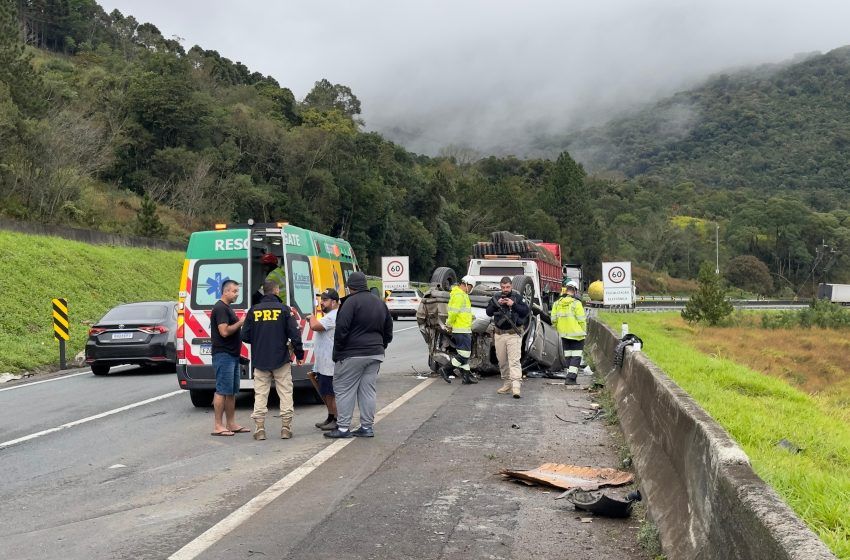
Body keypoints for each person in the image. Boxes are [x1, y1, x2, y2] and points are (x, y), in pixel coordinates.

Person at [324, 271, 394, 439]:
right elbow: (388, 330)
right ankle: (366, 427)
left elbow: (341, 330)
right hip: (375, 353)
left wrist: (338, 352)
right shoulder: (379, 303)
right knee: (367, 390)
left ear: (350, 287)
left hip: (351, 354)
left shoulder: (350, 303)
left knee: (343, 390)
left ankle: (342, 428)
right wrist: (381, 345)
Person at [241, 280, 305, 440]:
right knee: (285, 392)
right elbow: (295, 335)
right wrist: (299, 355)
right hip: (281, 358)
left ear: (264, 292)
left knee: (260, 394)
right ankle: (285, 428)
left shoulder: (253, 310)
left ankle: (260, 429)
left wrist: (258, 342)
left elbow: (244, 336)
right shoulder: (284, 310)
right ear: (276, 291)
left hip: (260, 359)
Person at [210, 279, 248, 436]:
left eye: (237, 291)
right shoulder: (220, 308)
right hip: (223, 354)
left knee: (231, 391)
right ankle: (218, 426)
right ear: (225, 291)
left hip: (232, 355)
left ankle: (231, 423)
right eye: (234, 291)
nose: (236, 294)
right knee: (221, 391)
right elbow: (224, 332)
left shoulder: (227, 308)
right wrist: (240, 323)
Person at [485, 276, 530, 399]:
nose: (505, 289)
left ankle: (516, 386)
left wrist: (513, 304)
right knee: (502, 361)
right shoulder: (496, 297)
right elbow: (488, 312)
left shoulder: (517, 297)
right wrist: (496, 305)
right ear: (500, 287)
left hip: (513, 334)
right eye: (503, 287)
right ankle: (507, 383)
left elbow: (525, 311)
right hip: (499, 334)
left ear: (511, 286)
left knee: (514, 361)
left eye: (508, 287)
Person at [307, 288, 340, 430]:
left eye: (325, 300)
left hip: (329, 364)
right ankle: (331, 416)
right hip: (323, 363)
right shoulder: (329, 315)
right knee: (325, 391)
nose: (322, 303)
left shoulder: (334, 316)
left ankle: (337, 419)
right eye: (322, 300)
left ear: (334, 302)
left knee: (331, 393)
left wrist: (311, 317)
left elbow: (315, 326)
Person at [440, 276, 477, 385]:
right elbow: (453, 313)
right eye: (471, 288)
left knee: (463, 354)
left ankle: (466, 377)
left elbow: (461, 312)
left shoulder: (460, 294)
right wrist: (449, 324)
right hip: (461, 330)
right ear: (467, 285)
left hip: (463, 328)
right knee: (464, 354)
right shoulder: (459, 295)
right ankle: (446, 369)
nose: (470, 290)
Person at [552, 279, 587, 385]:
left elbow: (553, 320)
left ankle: (569, 376)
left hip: (563, 334)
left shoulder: (557, 303)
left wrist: (558, 329)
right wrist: (584, 332)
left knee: (568, 356)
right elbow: (582, 320)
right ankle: (571, 378)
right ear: (575, 291)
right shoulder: (576, 304)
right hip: (577, 335)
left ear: (565, 290)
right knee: (576, 357)